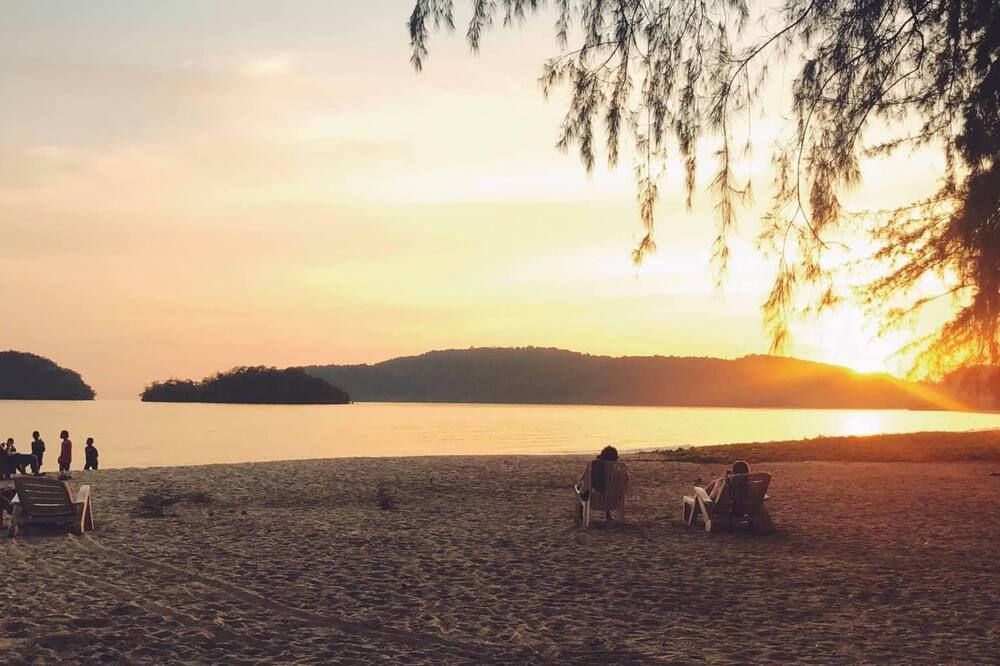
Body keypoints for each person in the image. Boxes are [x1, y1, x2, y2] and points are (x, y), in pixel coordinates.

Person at [575, 445, 630, 522]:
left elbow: (586, 484)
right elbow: (625, 484)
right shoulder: (620, 470)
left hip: (596, 500)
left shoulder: (594, 467)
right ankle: (608, 514)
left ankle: (582, 513)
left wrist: (579, 485)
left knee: (583, 489)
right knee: (608, 488)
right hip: (615, 500)